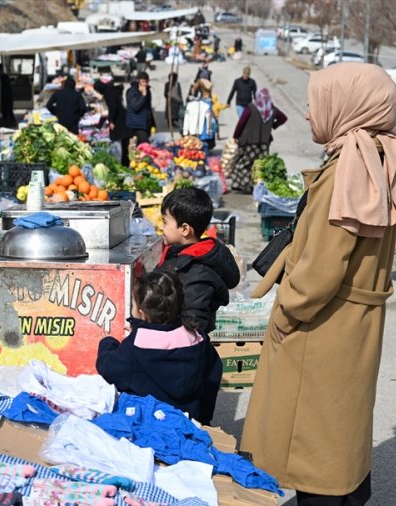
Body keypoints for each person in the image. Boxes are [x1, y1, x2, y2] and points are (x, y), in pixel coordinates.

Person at [239, 63, 396, 506]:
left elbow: (323, 263)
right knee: (345, 418)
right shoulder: (380, 155)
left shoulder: (350, 166)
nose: (309, 111)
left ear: (348, 105)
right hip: (357, 314)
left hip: (325, 317)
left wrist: (288, 311)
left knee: (313, 423)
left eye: (318, 101)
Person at [96, 271, 222, 424]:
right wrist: (204, 418)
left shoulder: (135, 347)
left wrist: (108, 342)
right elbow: (213, 373)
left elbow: (108, 370)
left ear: (142, 314)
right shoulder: (198, 339)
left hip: (151, 425)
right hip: (191, 421)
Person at [156, 187, 240, 334]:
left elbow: (193, 326)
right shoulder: (179, 254)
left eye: (165, 222)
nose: (161, 227)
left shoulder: (196, 273)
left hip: (178, 342)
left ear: (185, 229)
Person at [230, 87, 287, 192]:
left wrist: (236, 136)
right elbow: (283, 118)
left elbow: (241, 123)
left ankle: (243, 184)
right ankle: (257, 185)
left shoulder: (251, 108)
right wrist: (273, 125)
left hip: (248, 142)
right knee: (259, 165)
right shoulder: (272, 109)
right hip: (264, 143)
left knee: (243, 164)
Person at [94, 76, 130, 167]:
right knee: (123, 142)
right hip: (122, 119)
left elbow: (113, 108)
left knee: (117, 141)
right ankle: (125, 163)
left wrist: (111, 121)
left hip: (118, 121)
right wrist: (100, 125)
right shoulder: (111, 91)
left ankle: (119, 163)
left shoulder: (108, 94)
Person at [126, 70, 154, 146]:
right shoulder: (131, 92)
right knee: (145, 145)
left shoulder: (148, 91)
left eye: (146, 82)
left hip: (146, 124)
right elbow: (135, 107)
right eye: (143, 81)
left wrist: (152, 123)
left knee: (142, 147)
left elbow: (148, 108)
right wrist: (143, 95)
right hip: (136, 125)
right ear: (138, 81)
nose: (144, 84)